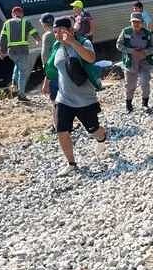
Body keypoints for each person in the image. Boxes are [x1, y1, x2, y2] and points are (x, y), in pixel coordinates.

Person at [43, 17, 107, 176]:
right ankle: (71, 164)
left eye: (61, 31)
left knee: (94, 130)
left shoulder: (83, 42)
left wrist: (72, 42)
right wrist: (46, 82)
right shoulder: (57, 46)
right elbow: (52, 66)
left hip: (85, 99)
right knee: (61, 130)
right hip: (63, 98)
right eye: (55, 32)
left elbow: (91, 58)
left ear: (71, 30)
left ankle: (101, 138)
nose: (58, 35)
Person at [116, 12, 153, 113]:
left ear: (142, 23)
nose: (136, 24)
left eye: (138, 22)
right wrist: (131, 51)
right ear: (131, 22)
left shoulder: (148, 34)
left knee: (145, 82)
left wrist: (145, 52)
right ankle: (129, 105)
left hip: (144, 62)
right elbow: (118, 45)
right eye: (133, 22)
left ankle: (145, 104)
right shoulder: (125, 32)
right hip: (130, 62)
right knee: (130, 85)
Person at [0, 6, 40, 101]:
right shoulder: (25, 22)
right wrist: (38, 40)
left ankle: (13, 84)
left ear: (12, 14)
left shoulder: (7, 23)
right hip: (22, 50)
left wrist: (1, 50)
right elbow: (34, 33)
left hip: (12, 52)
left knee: (17, 66)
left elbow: (3, 37)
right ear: (22, 14)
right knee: (23, 72)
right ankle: (21, 94)